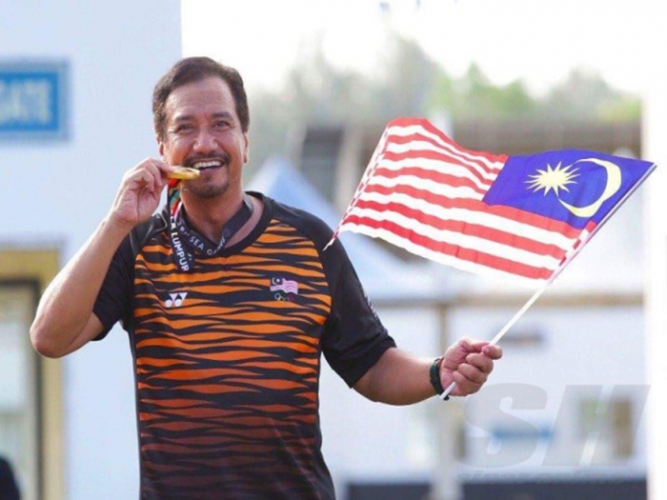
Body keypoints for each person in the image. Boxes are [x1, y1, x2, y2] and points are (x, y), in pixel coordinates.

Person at [30, 56, 502, 499]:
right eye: (185, 128)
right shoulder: (137, 246)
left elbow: (372, 365)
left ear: (245, 140)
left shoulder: (310, 241)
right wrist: (116, 222)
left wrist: (437, 371)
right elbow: (49, 337)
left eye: (221, 124)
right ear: (162, 148)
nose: (205, 143)